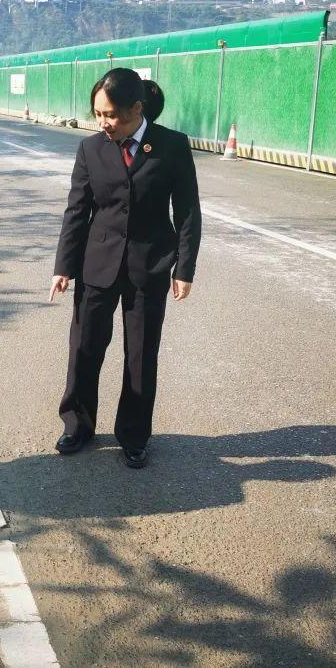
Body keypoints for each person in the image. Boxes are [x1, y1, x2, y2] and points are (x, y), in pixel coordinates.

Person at [50, 69, 201, 467]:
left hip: (149, 266)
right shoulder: (91, 149)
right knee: (84, 348)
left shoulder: (171, 146)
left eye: (112, 115)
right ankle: (77, 425)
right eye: (98, 114)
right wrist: (63, 266)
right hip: (97, 264)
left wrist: (184, 269)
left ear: (136, 109)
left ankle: (134, 435)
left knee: (141, 354)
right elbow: (77, 210)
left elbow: (187, 212)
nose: (104, 123)